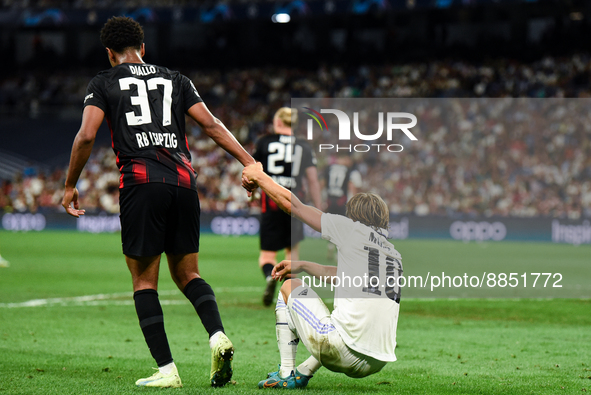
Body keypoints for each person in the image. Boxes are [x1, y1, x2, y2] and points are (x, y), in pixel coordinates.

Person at [61, 17, 256, 388]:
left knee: (143, 281)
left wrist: (70, 184)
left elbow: (86, 136)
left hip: (141, 183)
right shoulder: (176, 78)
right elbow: (212, 124)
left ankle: (167, 370)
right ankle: (217, 335)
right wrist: (249, 162)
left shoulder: (103, 82)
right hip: (184, 183)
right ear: (143, 47)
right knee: (189, 275)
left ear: (109, 53)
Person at [241, 162, 402, 389]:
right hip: (378, 360)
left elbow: (293, 206)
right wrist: (304, 264)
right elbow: (347, 276)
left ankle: (286, 372)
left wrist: (260, 177)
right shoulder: (393, 255)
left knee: (290, 286)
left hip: (344, 351)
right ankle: (304, 372)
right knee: (342, 319)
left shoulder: (351, 229)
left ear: (354, 216)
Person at [252, 108, 321, 306]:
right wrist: (318, 209)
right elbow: (313, 180)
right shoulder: (303, 146)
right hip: (294, 205)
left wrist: (253, 193)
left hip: (271, 203)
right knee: (293, 254)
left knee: (267, 255)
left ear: (279, 122)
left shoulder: (264, 142)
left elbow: (255, 172)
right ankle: (291, 298)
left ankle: (269, 277)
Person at [322, 154, 362, 260]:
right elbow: (351, 186)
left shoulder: (329, 168)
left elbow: (323, 183)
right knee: (342, 227)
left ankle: (330, 244)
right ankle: (338, 250)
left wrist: (323, 200)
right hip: (341, 201)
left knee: (331, 225)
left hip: (330, 200)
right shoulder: (349, 170)